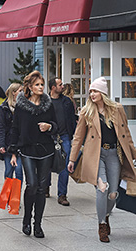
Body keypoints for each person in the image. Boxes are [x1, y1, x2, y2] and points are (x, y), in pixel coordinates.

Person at [67, 77, 136, 243]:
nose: (92, 94)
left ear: (103, 93)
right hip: (96, 155)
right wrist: (72, 159)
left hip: (114, 154)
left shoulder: (117, 109)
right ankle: (102, 225)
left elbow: (126, 135)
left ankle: (106, 215)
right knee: (102, 188)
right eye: (91, 91)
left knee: (113, 193)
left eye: (95, 91)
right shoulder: (86, 111)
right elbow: (78, 137)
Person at [8, 71, 57, 239]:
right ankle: (27, 219)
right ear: (29, 87)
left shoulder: (48, 105)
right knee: (32, 185)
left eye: (42, 84)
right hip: (27, 150)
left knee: (42, 188)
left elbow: (57, 125)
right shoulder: (22, 106)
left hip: (46, 150)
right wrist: (13, 151)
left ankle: (38, 225)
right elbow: (15, 129)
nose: (40, 87)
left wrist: (49, 127)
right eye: (37, 85)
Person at [48, 77, 77, 207]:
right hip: (48, 137)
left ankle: (62, 194)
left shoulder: (67, 102)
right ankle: (45, 188)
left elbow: (72, 119)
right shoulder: (45, 101)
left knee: (65, 165)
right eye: (60, 85)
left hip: (64, 136)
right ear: (53, 87)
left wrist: (73, 135)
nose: (62, 86)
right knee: (46, 164)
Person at [0, 83, 24, 184]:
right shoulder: (4, 107)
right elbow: (1, 127)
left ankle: (16, 197)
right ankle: (8, 195)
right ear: (13, 92)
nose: (22, 93)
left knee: (18, 170)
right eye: (20, 91)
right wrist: (1, 144)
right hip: (8, 143)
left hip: (20, 143)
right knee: (9, 171)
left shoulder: (23, 107)